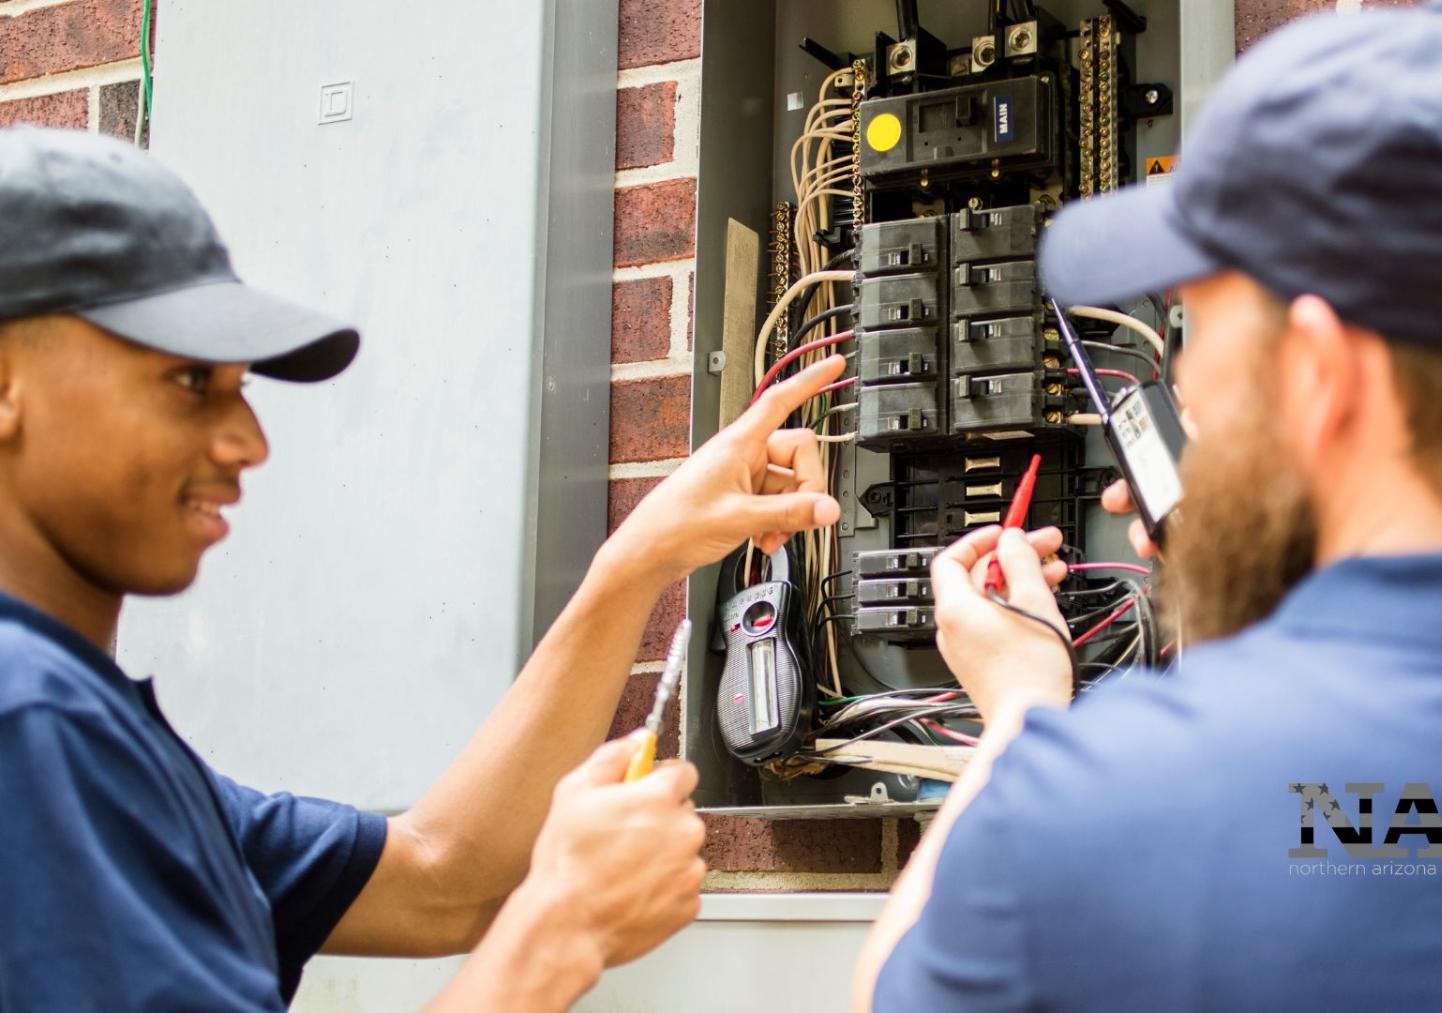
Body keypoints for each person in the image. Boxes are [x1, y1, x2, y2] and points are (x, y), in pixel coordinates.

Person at [856, 8, 1442, 1011]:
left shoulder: (1100, 803)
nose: (1182, 379)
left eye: (1195, 324)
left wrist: (1019, 711)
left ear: (1319, 370)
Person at [0, 127, 849, 1010]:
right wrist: (558, 932)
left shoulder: (105, 744)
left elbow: (448, 879)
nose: (248, 441)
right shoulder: (28, 719)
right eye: (187, 383)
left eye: (241, 386)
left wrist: (639, 559)